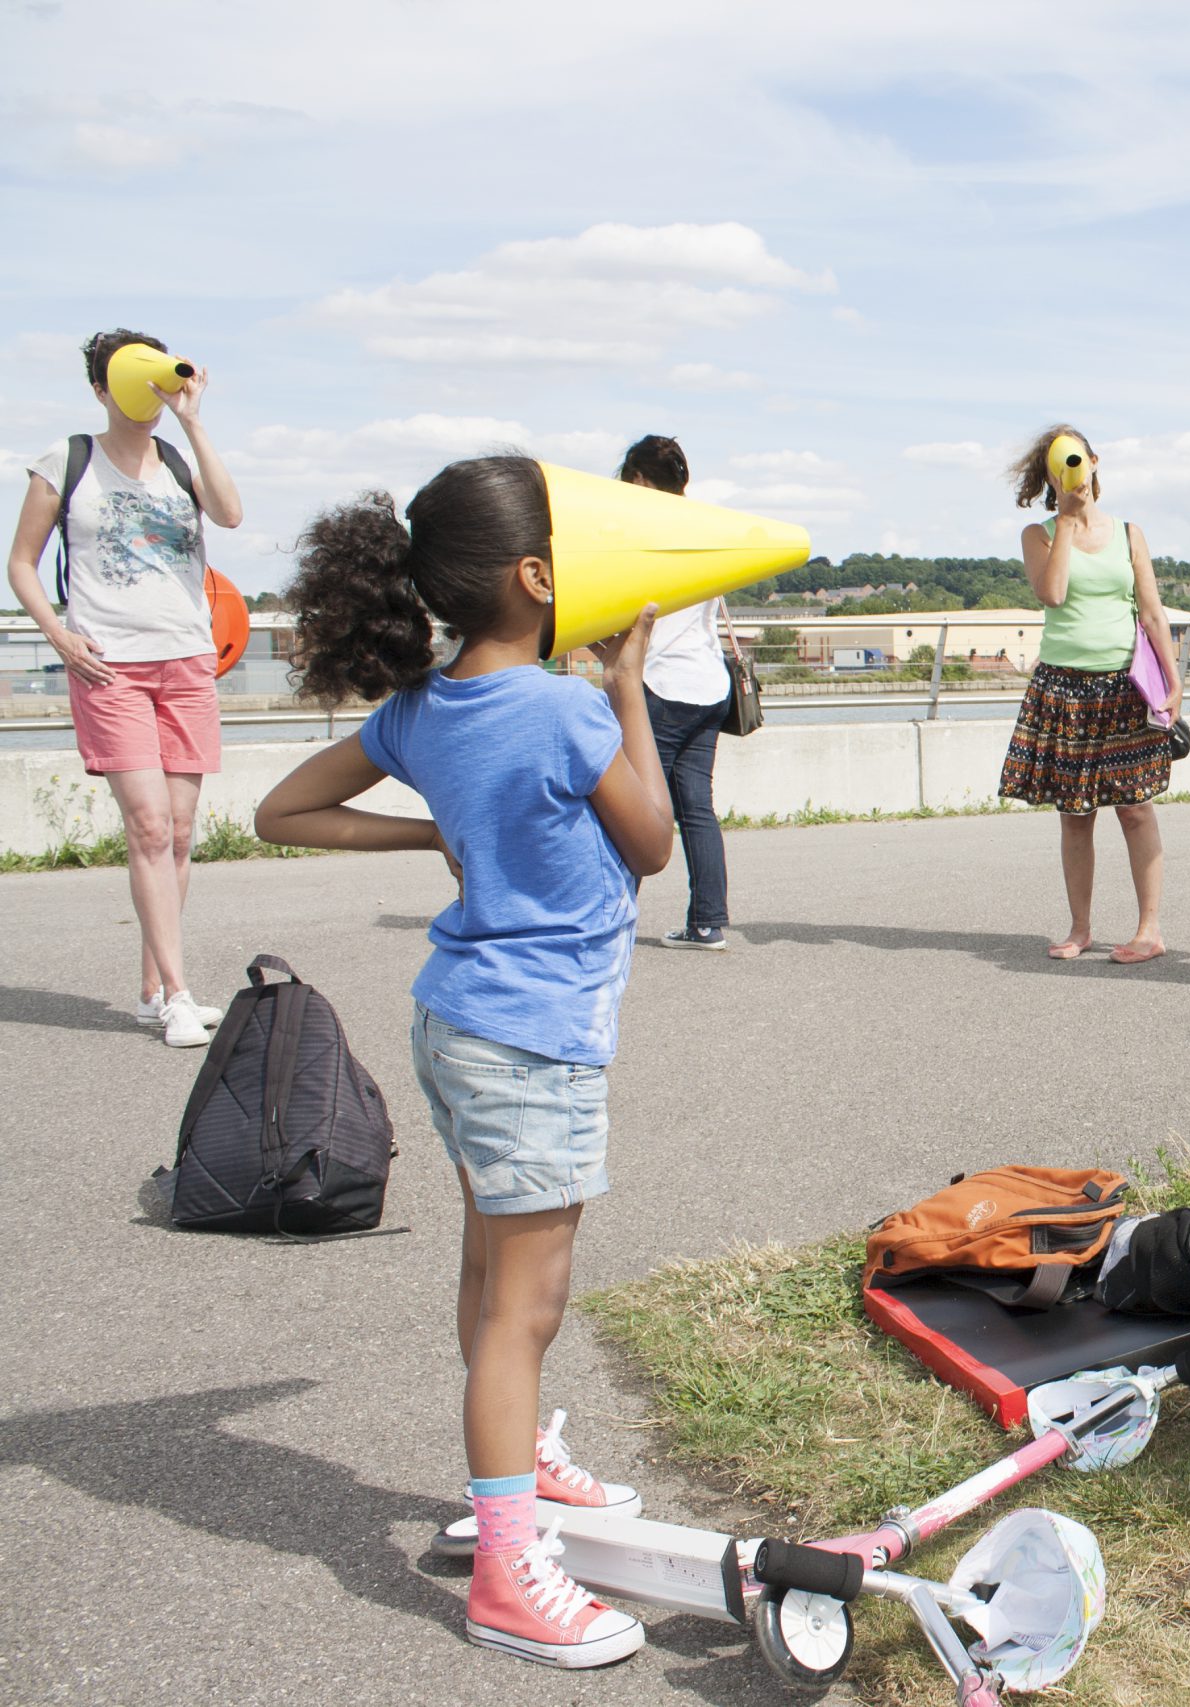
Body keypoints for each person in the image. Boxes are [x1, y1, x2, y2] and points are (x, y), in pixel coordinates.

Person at [255, 456, 672, 1668]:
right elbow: (649, 845)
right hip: (536, 1040)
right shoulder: (563, 709)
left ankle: (518, 1463)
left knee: (491, 1271)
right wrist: (630, 693)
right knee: (524, 1310)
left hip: (458, 1022)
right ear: (540, 577)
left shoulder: (419, 711)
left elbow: (282, 811)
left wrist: (429, 820)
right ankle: (505, 1566)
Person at [4, 329, 244, 1047]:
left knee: (176, 833)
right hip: (110, 664)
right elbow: (21, 562)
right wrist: (58, 633)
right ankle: (177, 992)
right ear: (101, 390)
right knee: (146, 825)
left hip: (187, 659)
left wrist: (193, 420)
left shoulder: (176, 458)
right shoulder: (67, 459)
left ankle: (149, 987)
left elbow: (230, 514)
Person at [1001, 425, 1182, 964]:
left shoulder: (1129, 533)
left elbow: (1151, 612)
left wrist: (1174, 682)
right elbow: (1052, 593)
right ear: (1051, 475)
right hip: (1063, 689)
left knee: (1135, 809)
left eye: (1079, 461)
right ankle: (1080, 928)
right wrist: (1065, 518)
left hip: (1123, 687)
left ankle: (1149, 930)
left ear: (1096, 461)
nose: (1076, 472)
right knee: (1074, 813)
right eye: (1063, 465)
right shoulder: (1039, 535)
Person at [623, 435, 739, 951]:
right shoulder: (708, 532)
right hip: (709, 685)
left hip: (662, 686)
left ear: (641, 481)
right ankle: (708, 923)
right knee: (696, 809)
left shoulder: (642, 537)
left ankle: (607, 924)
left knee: (630, 805)